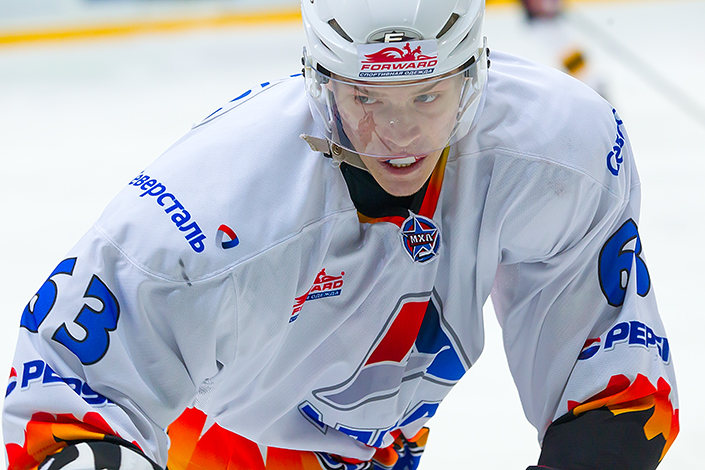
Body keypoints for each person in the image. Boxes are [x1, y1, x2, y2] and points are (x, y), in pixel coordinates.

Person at [2, 0, 678, 469]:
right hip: (216, 447)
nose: (399, 135)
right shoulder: (213, 212)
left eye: (427, 94)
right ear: (321, 84)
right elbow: (63, 394)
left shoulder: (558, 154)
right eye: (366, 98)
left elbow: (611, 380)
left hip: (383, 447)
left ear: (475, 78)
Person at [519, 0, 606, 96]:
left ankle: (591, 84)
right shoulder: (543, 30)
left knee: (573, 51)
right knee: (568, 54)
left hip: (551, 21)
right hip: (543, 23)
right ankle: (590, 86)